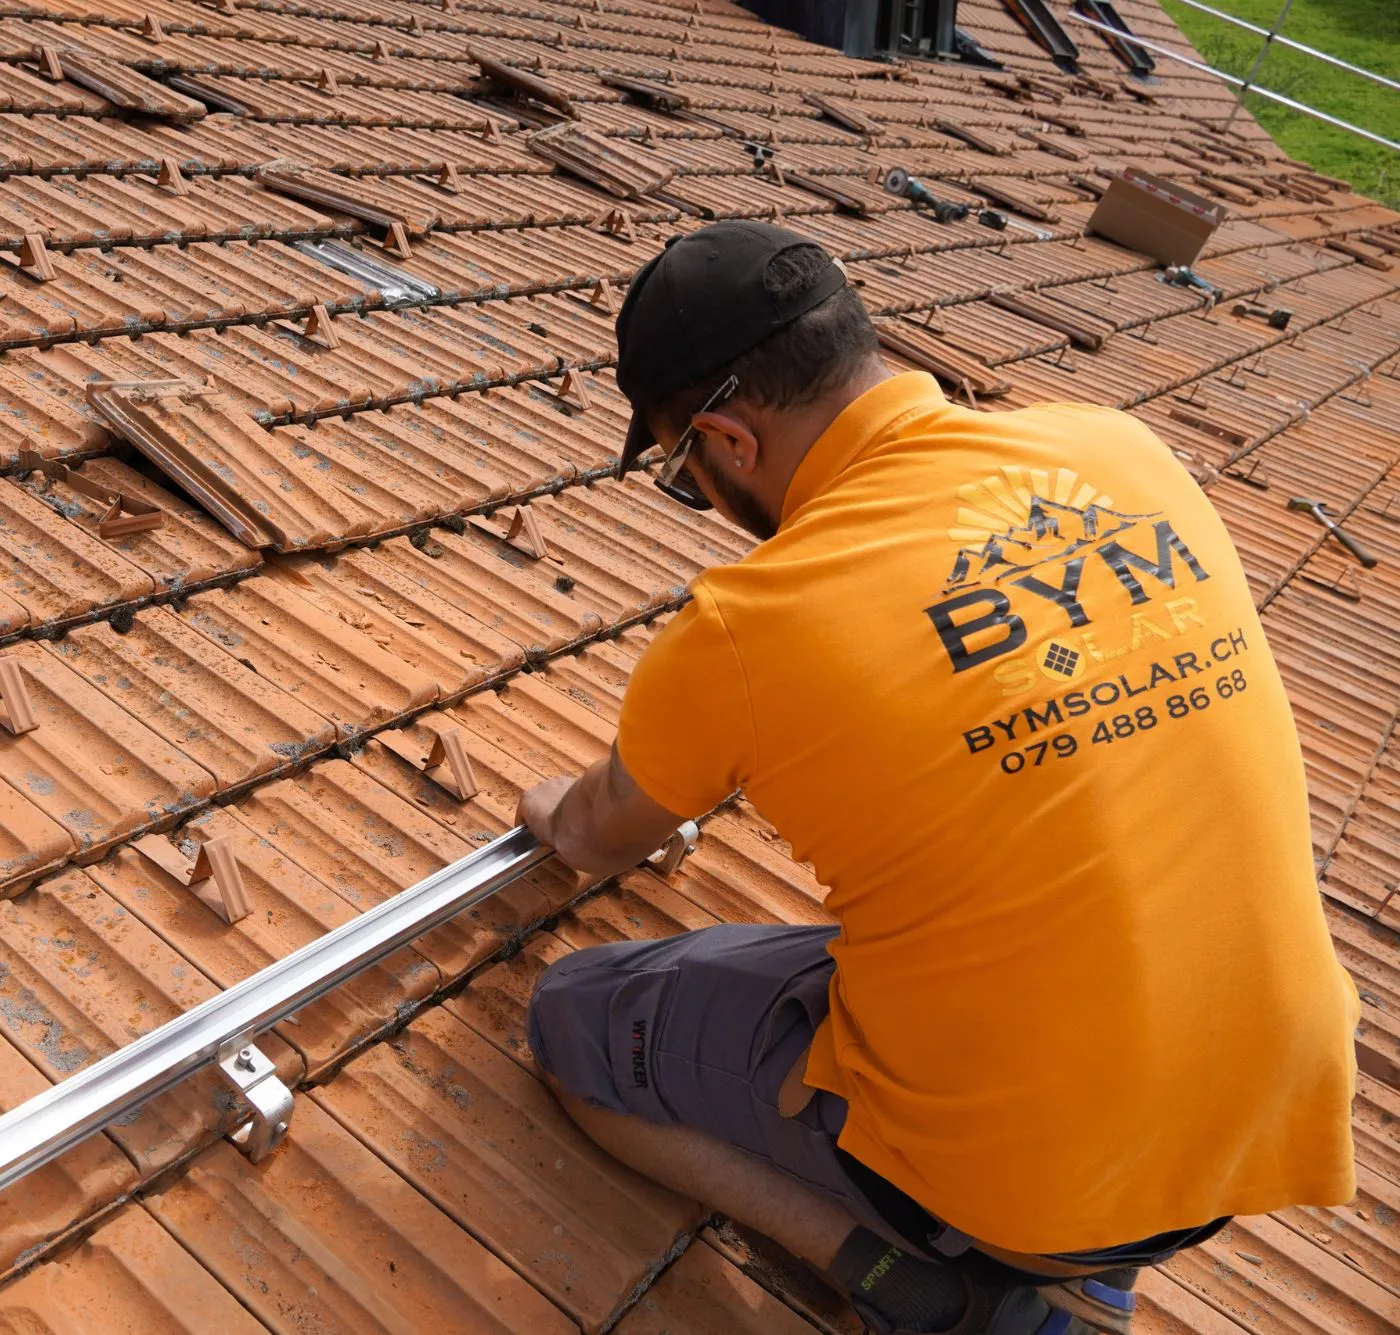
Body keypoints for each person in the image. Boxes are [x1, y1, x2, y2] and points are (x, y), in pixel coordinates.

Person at [515, 221, 1359, 1335]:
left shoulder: (751, 624)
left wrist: (550, 807)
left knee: (576, 1021)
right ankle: (1073, 1264)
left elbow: (592, 834)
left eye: (684, 473)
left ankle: (928, 1290)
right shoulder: (1122, 450)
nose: (700, 494)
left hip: (1033, 1177)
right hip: (1258, 1125)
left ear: (727, 439)